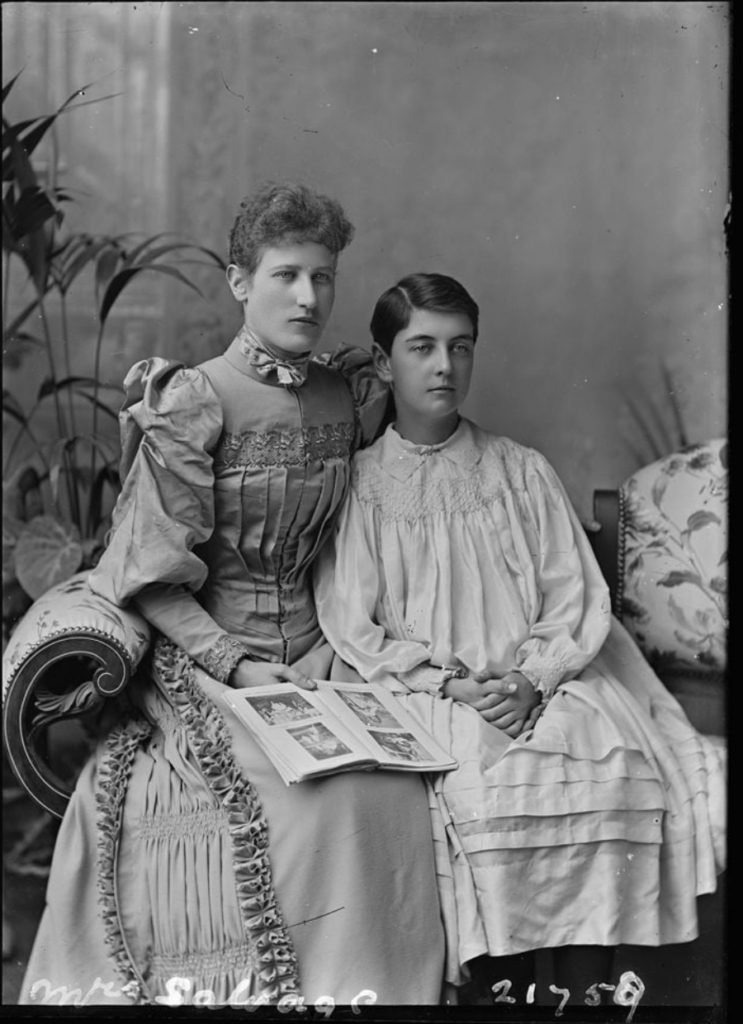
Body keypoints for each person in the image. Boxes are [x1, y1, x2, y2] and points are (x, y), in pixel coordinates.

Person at [19, 187, 447, 1007]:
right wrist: (239, 667)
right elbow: (148, 579)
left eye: (323, 278)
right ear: (239, 282)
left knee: (391, 783)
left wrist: (330, 648)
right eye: (285, 275)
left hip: (323, 649)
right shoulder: (195, 400)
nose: (308, 298)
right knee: (316, 801)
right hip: (207, 659)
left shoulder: (341, 394)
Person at [313, 273, 726, 1003]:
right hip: (432, 690)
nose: (443, 366)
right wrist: (451, 683)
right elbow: (353, 624)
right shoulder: (362, 489)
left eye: (459, 347)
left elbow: (572, 596)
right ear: (384, 363)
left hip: (543, 682)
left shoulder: (519, 471)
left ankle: (586, 999)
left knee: (600, 770)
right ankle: (501, 996)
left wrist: (534, 678)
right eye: (421, 347)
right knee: (479, 789)